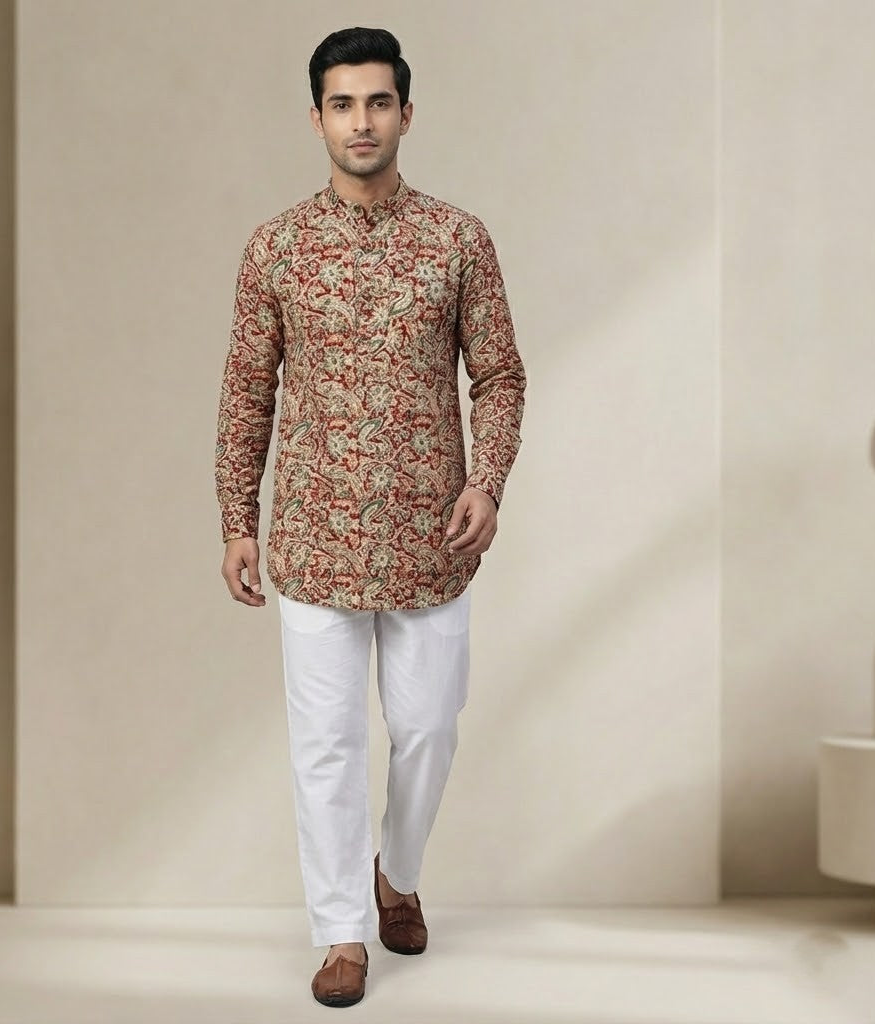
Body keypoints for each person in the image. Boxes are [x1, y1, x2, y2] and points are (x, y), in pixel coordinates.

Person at [215, 25, 526, 1008]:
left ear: (406, 113)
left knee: (428, 728)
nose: (361, 121)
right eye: (342, 104)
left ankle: (397, 871)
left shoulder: (458, 240)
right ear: (316, 119)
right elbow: (246, 392)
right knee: (327, 745)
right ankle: (342, 932)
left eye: (378, 102)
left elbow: (500, 375)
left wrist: (488, 481)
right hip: (313, 538)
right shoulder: (275, 248)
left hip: (434, 540)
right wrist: (236, 517)